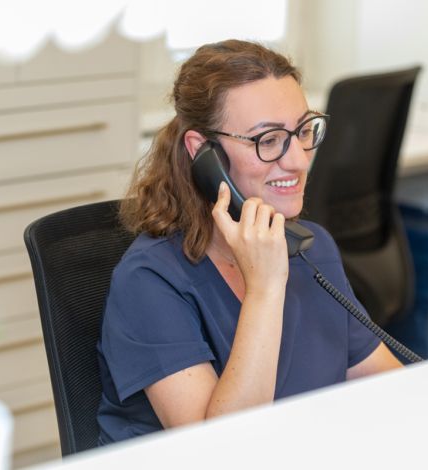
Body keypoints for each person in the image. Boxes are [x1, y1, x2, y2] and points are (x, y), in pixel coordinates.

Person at [96, 40, 403, 445]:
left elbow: (390, 389)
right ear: (202, 153)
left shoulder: (311, 249)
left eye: (303, 131)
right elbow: (222, 451)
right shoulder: (149, 282)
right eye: (269, 139)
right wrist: (266, 286)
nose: (297, 160)